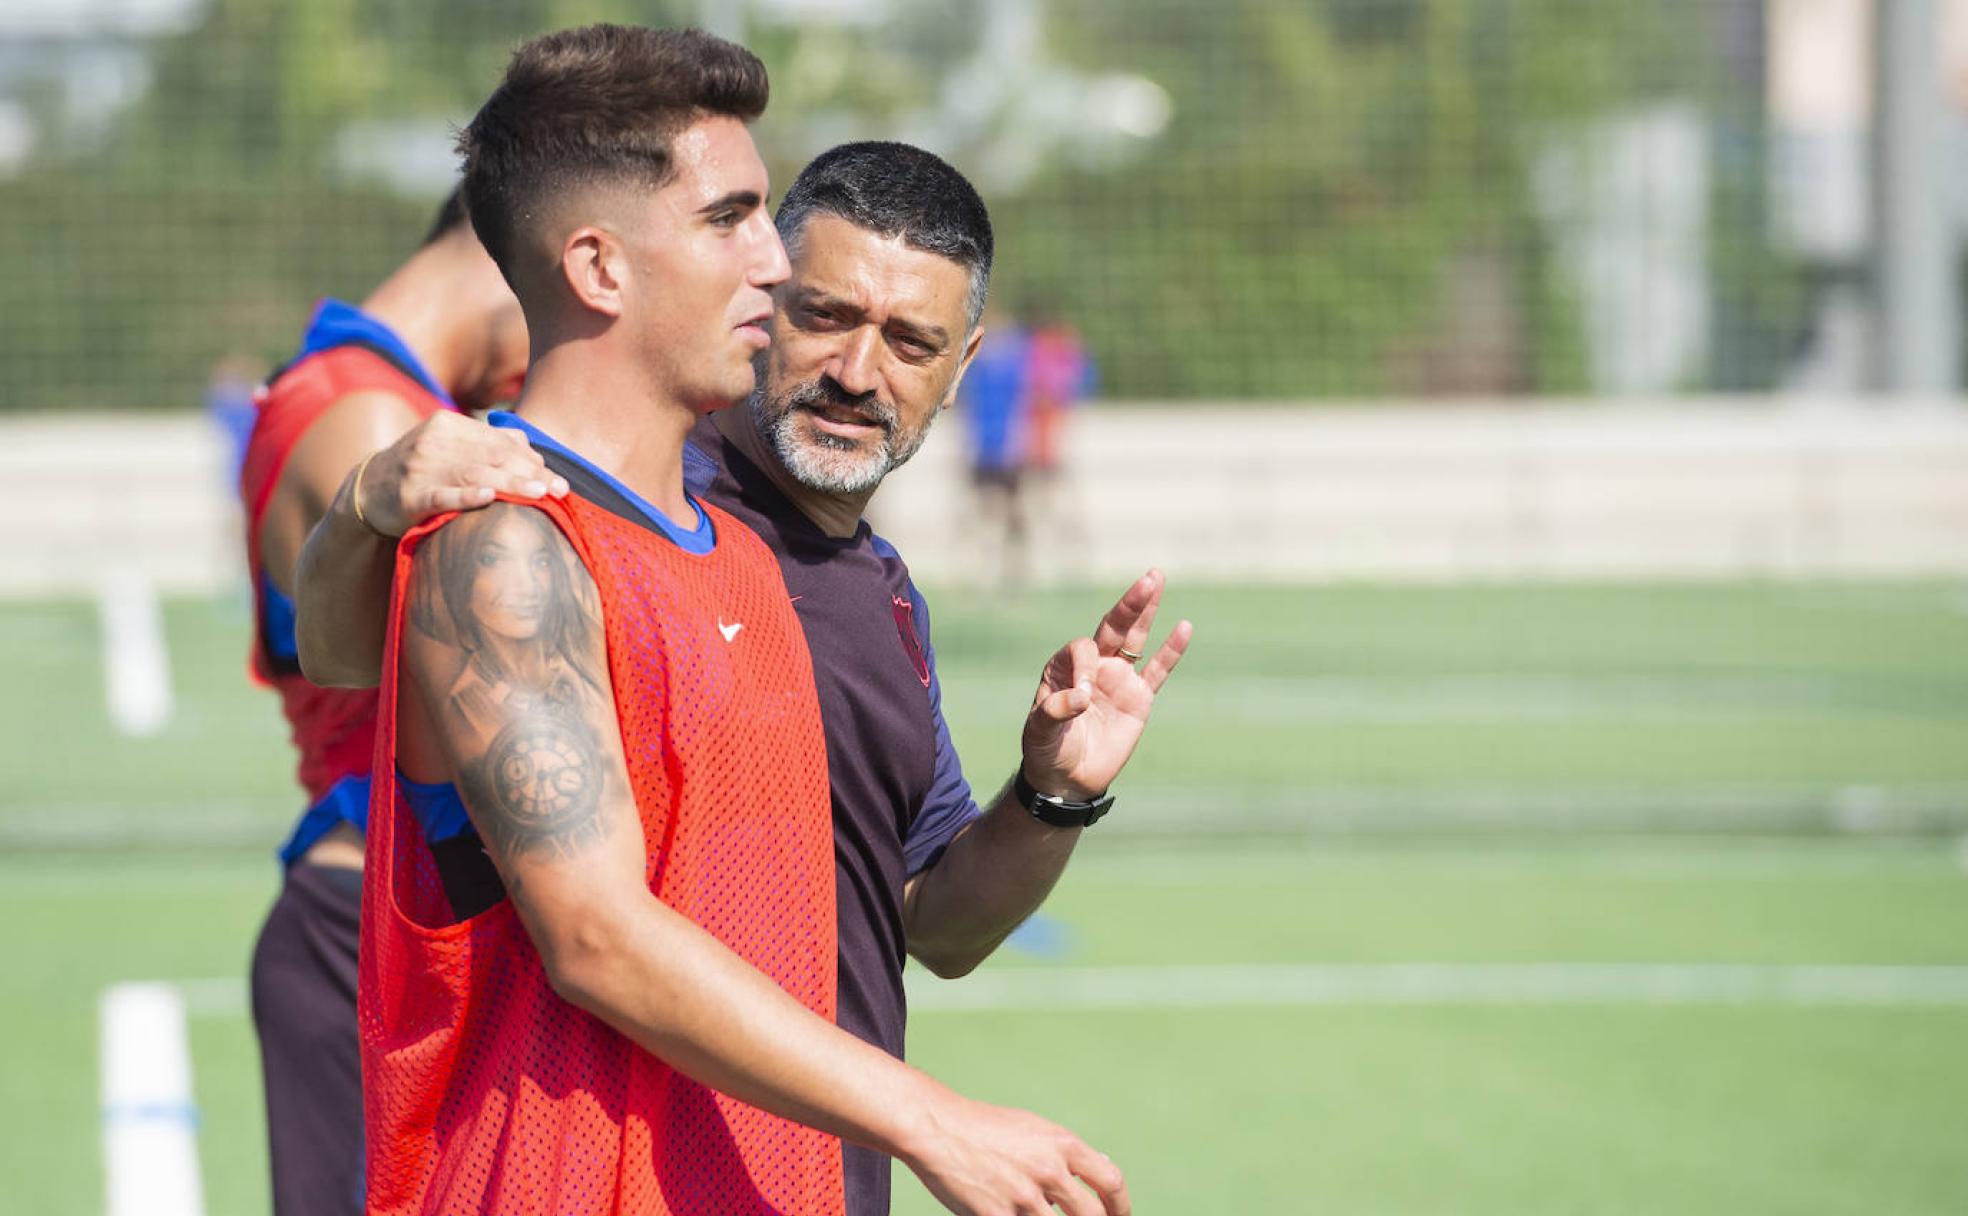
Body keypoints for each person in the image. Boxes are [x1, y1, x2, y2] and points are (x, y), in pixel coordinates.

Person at [299, 138, 1184, 1216]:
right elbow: (353, 661)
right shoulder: (623, 515)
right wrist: (366, 501)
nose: (859, 373)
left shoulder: (883, 593)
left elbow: (931, 926)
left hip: (812, 1188)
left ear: (963, 367)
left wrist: (1054, 794)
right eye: (827, 316)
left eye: (910, 341)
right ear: (762, 296)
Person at [237, 185, 528, 1216]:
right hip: (374, 928)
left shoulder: (349, 392)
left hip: (385, 922)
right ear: (513, 256)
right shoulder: (373, 417)